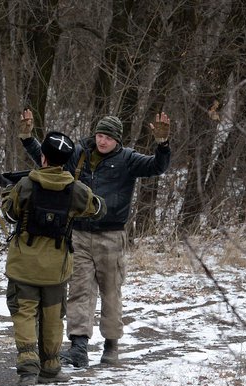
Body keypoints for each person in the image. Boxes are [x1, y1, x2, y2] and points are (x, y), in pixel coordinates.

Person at [17, 109, 171, 367]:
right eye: (99, 135)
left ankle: (111, 345)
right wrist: (27, 137)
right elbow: (48, 160)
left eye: (108, 138)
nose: (102, 141)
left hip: (111, 236)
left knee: (111, 291)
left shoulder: (128, 159)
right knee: (79, 290)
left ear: (117, 140)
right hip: (78, 233)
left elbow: (157, 167)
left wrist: (162, 145)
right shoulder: (79, 154)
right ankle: (79, 347)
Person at [1, 131, 106, 386]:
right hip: (56, 268)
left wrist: (6, 190)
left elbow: (10, 215)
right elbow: (98, 208)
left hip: (23, 265)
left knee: (24, 314)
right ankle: (51, 368)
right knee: (52, 318)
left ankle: (27, 369)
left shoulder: (25, 185)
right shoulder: (76, 190)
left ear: (43, 157)